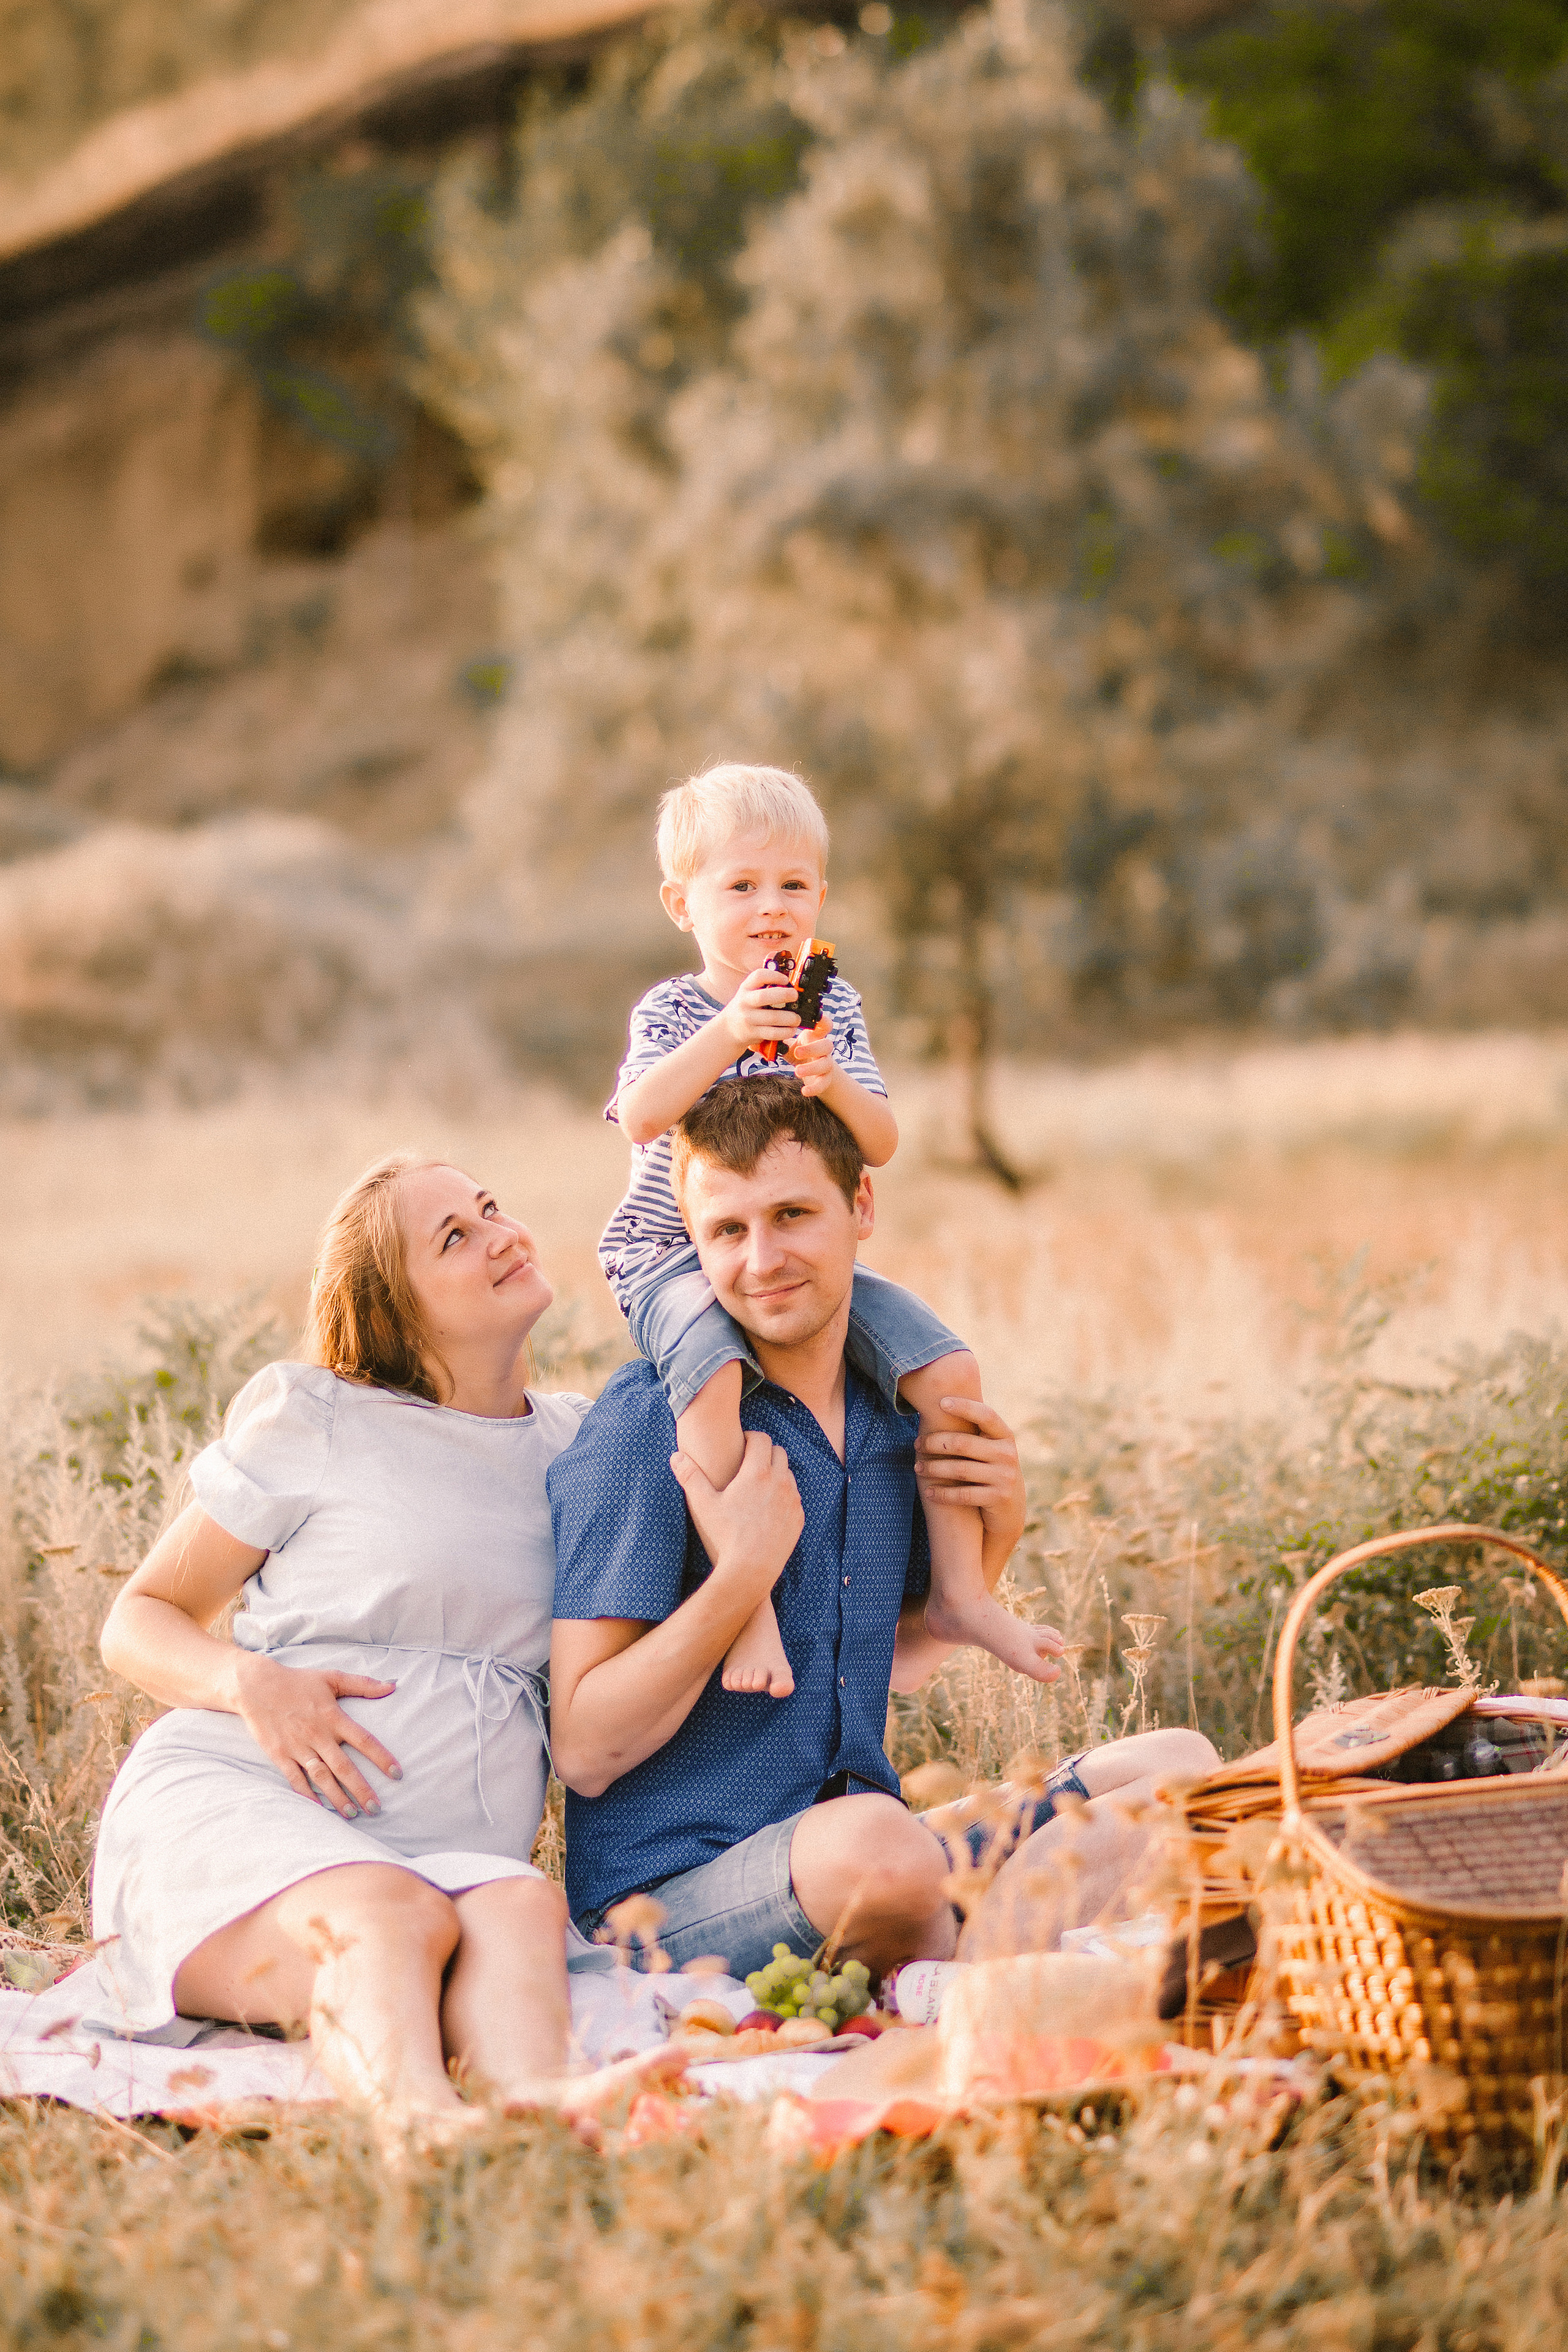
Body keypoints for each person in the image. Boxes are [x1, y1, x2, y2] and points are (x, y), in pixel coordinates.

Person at [549, 1076, 1217, 1982]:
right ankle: (996, 1974)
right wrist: (742, 1576)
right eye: (727, 1232)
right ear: (693, 1245)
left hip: (868, 1849)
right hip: (673, 1896)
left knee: (1183, 1767)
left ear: (861, 1204)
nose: (762, 1259)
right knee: (881, 1846)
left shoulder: (893, 1417)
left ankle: (956, 1957)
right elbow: (587, 1751)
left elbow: (901, 1657)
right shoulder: (649, 1426)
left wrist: (999, 1529)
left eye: (792, 1215)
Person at [94, 1152, 680, 2138]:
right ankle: (418, 2126)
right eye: (455, 1236)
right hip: (243, 1801)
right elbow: (138, 1618)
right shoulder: (320, 1419)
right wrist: (249, 1681)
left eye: (492, 1208)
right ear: (394, 1310)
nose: (502, 1234)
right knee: (386, 1913)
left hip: (440, 1851)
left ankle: (541, 2114)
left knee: (517, 1906)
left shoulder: (585, 1445)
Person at [599, 759, 1060, 1698]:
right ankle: (749, 1600)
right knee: (715, 1380)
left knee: (949, 1371)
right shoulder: (679, 1012)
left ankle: (963, 1593)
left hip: (804, 1259)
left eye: (794, 885)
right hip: (674, 1259)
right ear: (681, 904)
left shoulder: (832, 1006)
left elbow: (882, 1141)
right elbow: (644, 1115)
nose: (772, 907)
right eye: (742, 886)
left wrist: (830, 1080)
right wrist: (731, 1033)